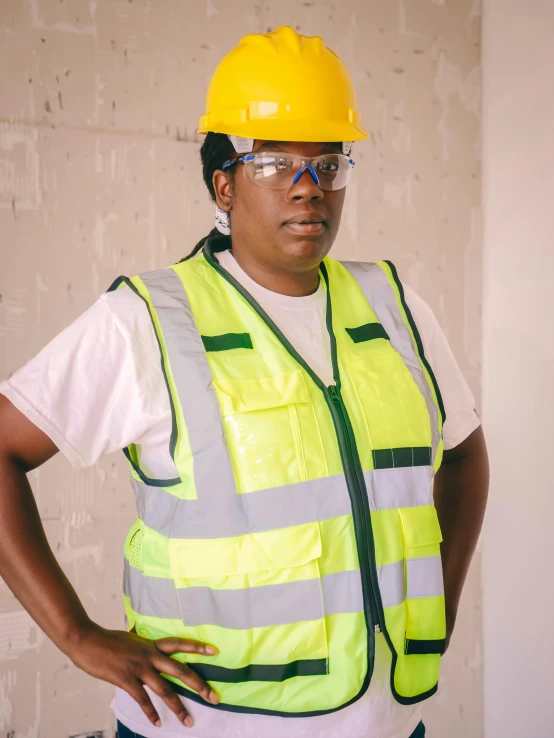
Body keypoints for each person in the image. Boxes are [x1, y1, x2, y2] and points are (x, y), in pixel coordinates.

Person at [0, 25, 488, 738]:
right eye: (275, 164)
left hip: (385, 718)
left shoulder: (395, 307)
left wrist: (436, 602)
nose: (308, 189)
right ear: (223, 184)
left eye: (328, 164)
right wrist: (76, 634)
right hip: (209, 722)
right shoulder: (148, 322)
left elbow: (467, 454)